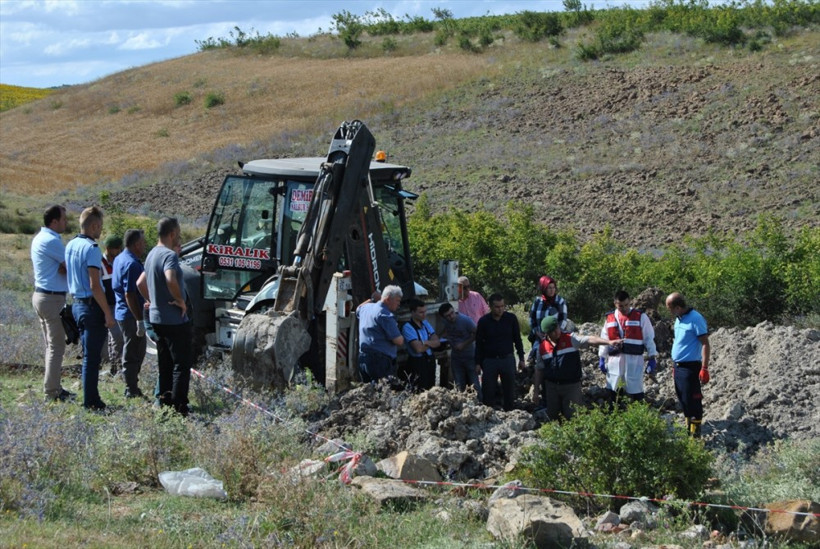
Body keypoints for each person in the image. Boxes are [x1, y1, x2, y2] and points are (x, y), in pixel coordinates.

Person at [137, 217, 192, 416]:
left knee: (165, 364)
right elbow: (170, 278)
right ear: (172, 234)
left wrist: (152, 300)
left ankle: (165, 402)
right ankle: (180, 407)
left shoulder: (152, 254)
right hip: (174, 319)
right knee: (181, 364)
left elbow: (140, 283)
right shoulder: (169, 255)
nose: (179, 237)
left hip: (157, 319)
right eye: (178, 233)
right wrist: (180, 300)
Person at [65, 206, 116, 410]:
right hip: (91, 307)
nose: (101, 231)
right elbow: (95, 285)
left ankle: (90, 398)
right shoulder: (92, 248)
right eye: (100, 227)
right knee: (92, 358)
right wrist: (107, 313)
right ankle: (91, 401)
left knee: (88, 355)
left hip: (77, 304)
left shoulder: (71, 244)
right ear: (94, 226)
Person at [31, 204, 74, 402]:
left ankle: (54, 387)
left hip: (42, 296)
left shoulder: (40, 238)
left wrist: (64, 267)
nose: (66, 222)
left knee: (51, 346)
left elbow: (65, 266)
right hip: (52, 298)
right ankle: (52, 392)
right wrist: (65, 267)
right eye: (63, 219)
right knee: (56, 347)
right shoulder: (52, 241)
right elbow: (70, 266)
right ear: (54, 221)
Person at [537, 315, 618, 421]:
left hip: (571, 387)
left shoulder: (571, 339)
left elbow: (589, 339)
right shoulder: (542, 348)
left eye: (557, 328)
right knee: (553, 417)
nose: (556, 332)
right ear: (546, 334)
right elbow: (539, 369)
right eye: (552, 331)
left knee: (573, 417)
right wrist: (535, 391)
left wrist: (608, 342)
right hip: (552, 388)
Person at [598, 290, 658, 404]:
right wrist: (602, 357)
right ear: (615, 304)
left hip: (634, 359)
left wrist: (652, 357)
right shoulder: (610, 318)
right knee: (614, 390)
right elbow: (604, 339)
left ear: (630, 301)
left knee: (636, 389)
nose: (624, 308)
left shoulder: (641, 317)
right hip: (615, 360)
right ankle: (615, 411)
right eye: (621, 306)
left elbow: (649, 338)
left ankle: (638, 411)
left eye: (626, 305)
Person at [665, 292, 711, 437]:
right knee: (684, 399)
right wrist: (675, 365)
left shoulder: (695, 319)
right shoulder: (679, 319)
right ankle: (688, 430)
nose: (669, 312)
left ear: (678, 307)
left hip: (690, 367)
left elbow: (705, 343)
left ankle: (695, 435)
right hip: (679, 367)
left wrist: (704, 368)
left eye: (670, 308)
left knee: (693, 400)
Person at [112, 229, 147, 398]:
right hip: (130, 315)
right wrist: (139, 319)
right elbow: (130, 294)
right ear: (136, 244)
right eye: (143, 242)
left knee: (135, 349)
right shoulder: (132, 264)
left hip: (123, 312)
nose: (145, 245)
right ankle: (131, 388)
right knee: (134, 351)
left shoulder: (120, 258)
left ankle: (132, 385)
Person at [475, 294, 525, 411]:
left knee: (509, 391)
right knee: (488, 391)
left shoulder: (511, 319)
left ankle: (510, 413)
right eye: (497, 307)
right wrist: (477, 363)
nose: (500, 309)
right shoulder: (483, 321)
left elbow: (517, 339)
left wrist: (521, 358)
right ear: (490, 307)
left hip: (507, 359)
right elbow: (479, 344)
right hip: (490, 360)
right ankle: (488, 414)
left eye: (502, 306)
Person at [356, 285, 404, 383]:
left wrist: (372, 299)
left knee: (368, 390)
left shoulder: (366, 308)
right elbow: (398, 341)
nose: (399, 304)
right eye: (397, 300)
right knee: (383, 390)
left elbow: (358, 308)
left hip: (363, 358)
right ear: (388, 299)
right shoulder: (385, 315)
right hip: (380, 361)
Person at [528, 275, 568, 384]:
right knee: (537, 356)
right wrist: (537, 332)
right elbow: (531, 319)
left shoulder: (560, 301)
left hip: (555, 337)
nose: (552, 290)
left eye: (553, 287)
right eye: (549, 288)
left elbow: (563, 320)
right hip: (540, 336)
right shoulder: (538, 301)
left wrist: (555, 334)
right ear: (544, 288)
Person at [438, 302, 480, 398]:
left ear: (454, 310)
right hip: (456, 357)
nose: (451, 317)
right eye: (448, 316)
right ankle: (461, 403)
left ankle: (480, 403)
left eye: (452, 313)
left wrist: (464, 344)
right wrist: (440, 337)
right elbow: (446, 331)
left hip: (469, 356)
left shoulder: (465, 320)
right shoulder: (445, 322)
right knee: (458, 384)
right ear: (444, 317)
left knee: (474, 384)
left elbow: (477, 333)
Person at [402, 298, 441, 390]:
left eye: (425, 311)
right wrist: (430, 343)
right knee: (419, 389)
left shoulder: (425, 323)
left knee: (431, 388)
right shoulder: (407, 327)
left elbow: (437, 342)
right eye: (421, 312)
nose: (424, 314)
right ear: (413, 312)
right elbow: (418, 349)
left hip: (429, 360)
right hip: (417, 363)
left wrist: (425, 342)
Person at [100, 234, 124, 375]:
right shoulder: (100, 263)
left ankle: (114, 366)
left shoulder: (118, 262)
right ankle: (115, 367)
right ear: (109, 248)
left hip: (117, 304)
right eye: (117, 249)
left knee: (114, 337)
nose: (119, 251)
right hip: (106, 305)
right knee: (116, 336)